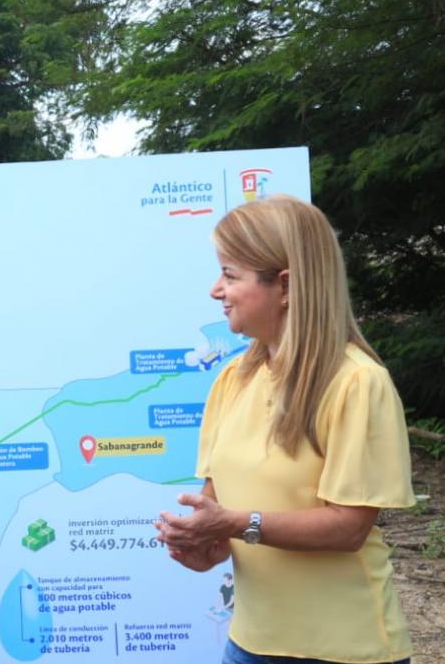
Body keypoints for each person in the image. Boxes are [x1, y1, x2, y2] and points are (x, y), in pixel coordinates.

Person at [156, 195, 415, 664]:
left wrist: (237, 524)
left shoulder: (357, 382)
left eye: (230, 275)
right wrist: (205, 544)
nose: (217, 290)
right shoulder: (232, 380)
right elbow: (219, 509)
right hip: (250, 645)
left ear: (287, 286)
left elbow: (348, 528)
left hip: (347, 651)